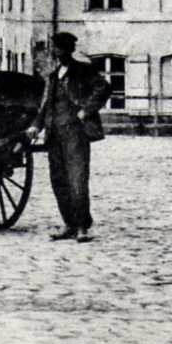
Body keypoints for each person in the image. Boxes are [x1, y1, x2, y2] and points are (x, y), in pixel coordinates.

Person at [28, 32, 112, 243]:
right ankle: (69, 224)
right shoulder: (54, 75)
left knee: (77, 180)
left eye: (60, 49)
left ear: (69, 50)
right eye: (55, 49)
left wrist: (87, 110)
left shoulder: (83, 71)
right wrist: (36, 126)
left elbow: (104, 87)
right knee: (58, 181)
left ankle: (83, 226)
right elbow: (47, 105)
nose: (57, 53)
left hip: (76, 134)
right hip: (54, 134)